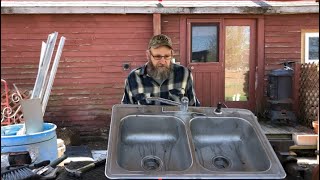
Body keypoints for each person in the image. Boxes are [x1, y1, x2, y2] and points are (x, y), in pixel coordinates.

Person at [121, 34, 200, 106]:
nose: (162, 62)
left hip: (176, 122)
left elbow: (194, 108)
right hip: (145, 122)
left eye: (167, 56)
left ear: (172, 54)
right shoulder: (133, 78)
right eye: (157, 56)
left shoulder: (184, 74)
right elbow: (126, 112)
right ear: (148, 55)